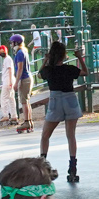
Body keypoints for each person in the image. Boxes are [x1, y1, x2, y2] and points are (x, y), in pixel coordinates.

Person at [36, 41, 88, 181]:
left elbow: (39, 74)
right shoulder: (70, 69)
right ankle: (73, 167)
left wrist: (45, 60)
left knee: (45, 135)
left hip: (55, 100)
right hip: (70, 99)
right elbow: (85, 72)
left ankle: (43, 165)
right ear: (64, 55)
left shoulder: (49, 70)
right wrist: (79, 57)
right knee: (71, 135)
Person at [6, 35, 33, 133]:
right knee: (27, 101)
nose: (11, 44)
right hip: (27, 77)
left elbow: (20, 68)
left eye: (12, 42)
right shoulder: (23, 51)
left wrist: (16, 82)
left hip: (24, 79)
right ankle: (29, 121)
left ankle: (27, 122)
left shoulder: (20, 53)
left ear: (16, 43)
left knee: (24, 102)